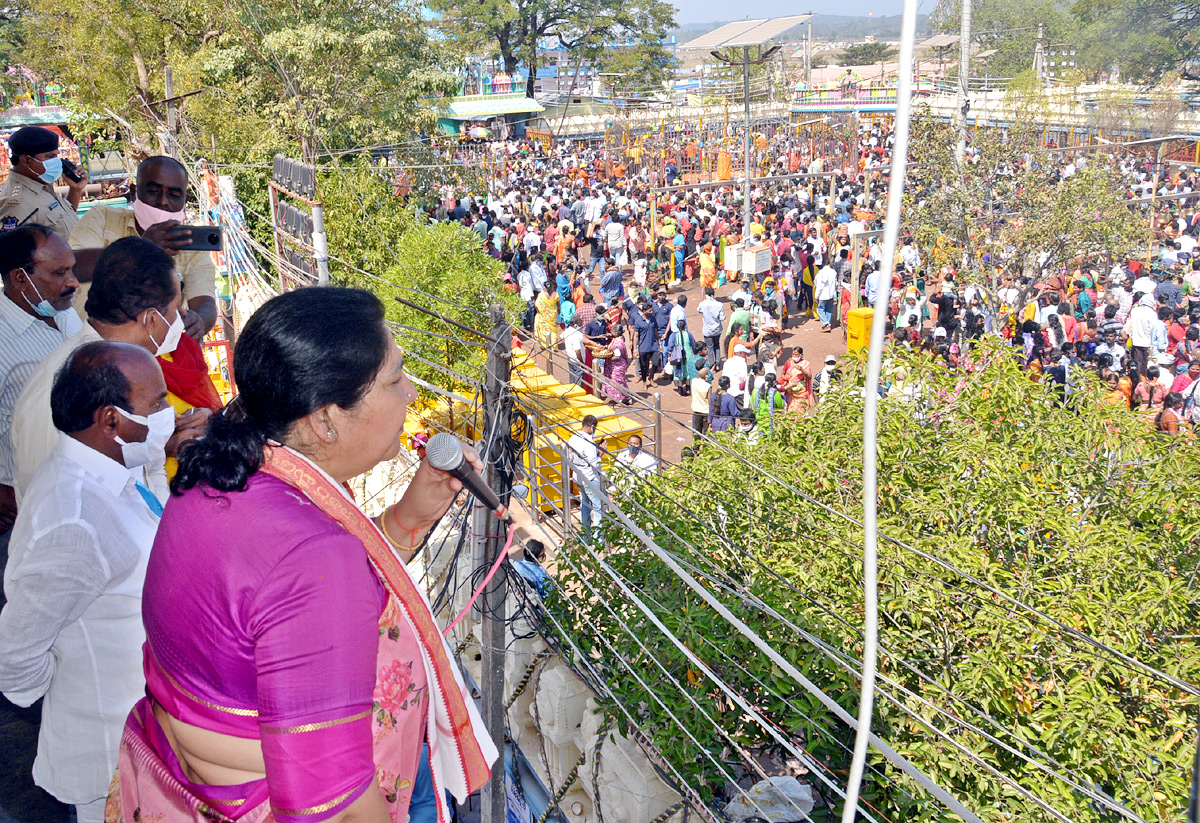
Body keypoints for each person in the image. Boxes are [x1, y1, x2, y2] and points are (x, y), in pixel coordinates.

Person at [112, 288, 496, 823]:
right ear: (325, 419)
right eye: (394, 380)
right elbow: (332, 807)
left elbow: (281, 605)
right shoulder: (314, 555)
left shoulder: (221, 473)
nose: (410, 393)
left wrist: (409, 518)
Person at [0, 341, 169, 823]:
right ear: (110, 420)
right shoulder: (74, 515)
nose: (167, 412)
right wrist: (77, 691)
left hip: (146, 741)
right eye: (155, 403)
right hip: (110, 753)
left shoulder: (114, 473)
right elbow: (14, 656)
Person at [12, 236, 212, 501]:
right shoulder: (68, 386)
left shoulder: (124, 364)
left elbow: (146, 476)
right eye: (176, 308)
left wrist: (165, 442)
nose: (184, 317)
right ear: (151, 321)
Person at [69, 156, 218, 339]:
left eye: (173, 195)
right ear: (134, 192)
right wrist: (141, 249)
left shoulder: (190, 246)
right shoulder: (102, 217)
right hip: (91, 345)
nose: (163, 201)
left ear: (185, 200)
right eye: (153, 191)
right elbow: (71, 267)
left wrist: (199, 320)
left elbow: (205, 301)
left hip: (155, 356)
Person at [0, 225, 83, 538]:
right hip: (21, 510)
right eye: (60, 273)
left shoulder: (62, 310)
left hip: (74, 493)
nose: (72, 282)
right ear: (20, 278)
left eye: (72, 269)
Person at [0, 126, 87, 238]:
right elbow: (12, 250)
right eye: (50, 156)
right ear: (26, 160)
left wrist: (75, 190)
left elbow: (62, 222)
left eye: (56, 155)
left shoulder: (41, 184)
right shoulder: (16, 203)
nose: (57, 161)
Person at [567, 414, 604, 539]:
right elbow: (594, 464)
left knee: (585, 505)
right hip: (590, 478)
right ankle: (598, 538)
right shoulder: (589, 443)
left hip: (578, 477)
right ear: (592, 427)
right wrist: (601, 454)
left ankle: (586, 536)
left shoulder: (573, 438)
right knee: (599, 508)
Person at [665, 317, 698, 395]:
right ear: (685, 326)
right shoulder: (689, 334)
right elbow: (693, 345)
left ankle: (679, 390)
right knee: (688, 371)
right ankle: (688, 389)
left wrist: (669, 356)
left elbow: (670, 346)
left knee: (679, 371)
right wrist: (695, 354)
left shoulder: (674, 335)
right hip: (688, 355)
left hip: (678, 356)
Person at [697, 286, 726, 365]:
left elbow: (699, 310)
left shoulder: (702, 304)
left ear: (706, 295)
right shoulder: (719, 304)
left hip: (707, 330)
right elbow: (722, 318)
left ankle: (712, 364)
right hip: (717, 329)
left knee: (709, 348)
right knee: (717, 345)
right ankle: (717, 363)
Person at [813, 260, 838, 331]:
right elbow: (835, 284)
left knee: (820, 309)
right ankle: (828, 324)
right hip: (831, 294)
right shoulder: (833, 272)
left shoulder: (821, 273)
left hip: (823, 295)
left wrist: (816, 296)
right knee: (829, 310)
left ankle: (826, 323)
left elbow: (819, 286)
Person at [690, 365, 712, 439]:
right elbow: (710, 400)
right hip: (705, 411)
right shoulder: (708, 386)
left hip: (696, 410)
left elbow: (697, 377)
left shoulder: (693, 381)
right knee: (706, 433)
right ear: (706, 376)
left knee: (697, 431)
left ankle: (695, 448)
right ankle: (705, 448)